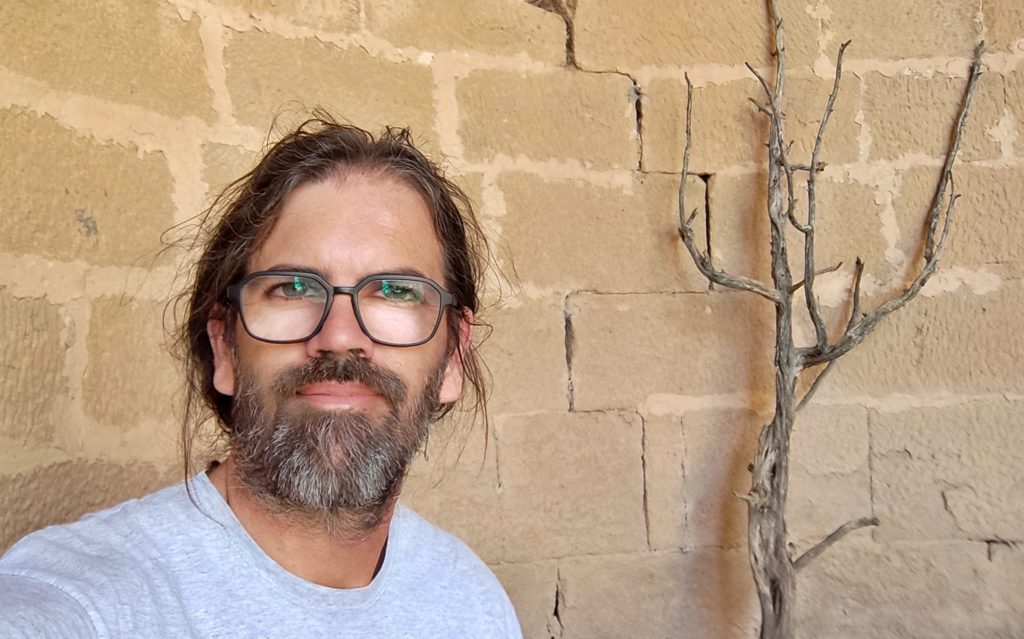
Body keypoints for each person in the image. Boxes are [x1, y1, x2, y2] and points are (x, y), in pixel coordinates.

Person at [0, 116, 521, 638]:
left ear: (453, 356)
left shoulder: (473, 603)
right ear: (225, 346)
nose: (340, 336)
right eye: (293, 287)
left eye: (396, 291)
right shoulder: (86, 602)